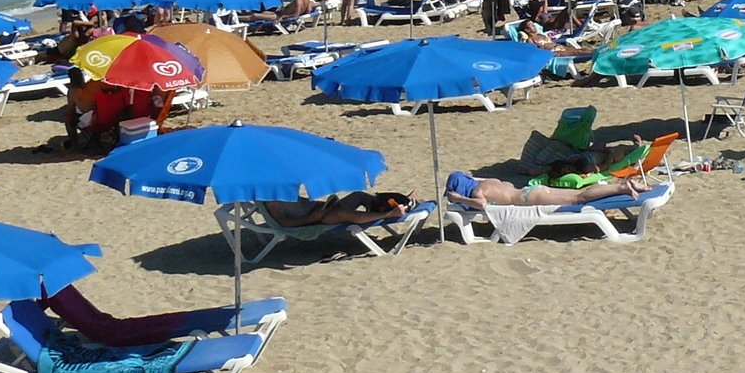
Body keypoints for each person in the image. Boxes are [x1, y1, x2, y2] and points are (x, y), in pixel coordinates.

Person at [445, 170, 639, 207]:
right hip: (532, 191)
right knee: (578, 194)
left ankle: (621, 188)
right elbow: (475, 178)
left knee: (579, 198)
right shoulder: (489, 181)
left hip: (529, 199)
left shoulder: (478, 192)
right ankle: (620, 186)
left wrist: (459, 199)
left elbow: (482, 205)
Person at [262, 191, 414, 227]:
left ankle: (389, 205)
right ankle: (388, 213)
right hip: (318, 219)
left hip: (322, 210)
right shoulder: (271, 201)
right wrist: (313, 217)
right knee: (343, 214)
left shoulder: (282, 191)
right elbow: (285, 223)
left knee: (358, 195)